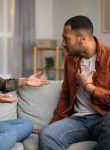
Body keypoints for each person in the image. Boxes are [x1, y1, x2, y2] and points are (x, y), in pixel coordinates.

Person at [39, 15, 110, 150]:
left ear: (83, 38)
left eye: (67, 39)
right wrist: (53, 125)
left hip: (105, 117)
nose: (63, 44)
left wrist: (90, 88)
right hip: (79, 120)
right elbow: (65, 94)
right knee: (47, 135)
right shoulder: (70, 60)